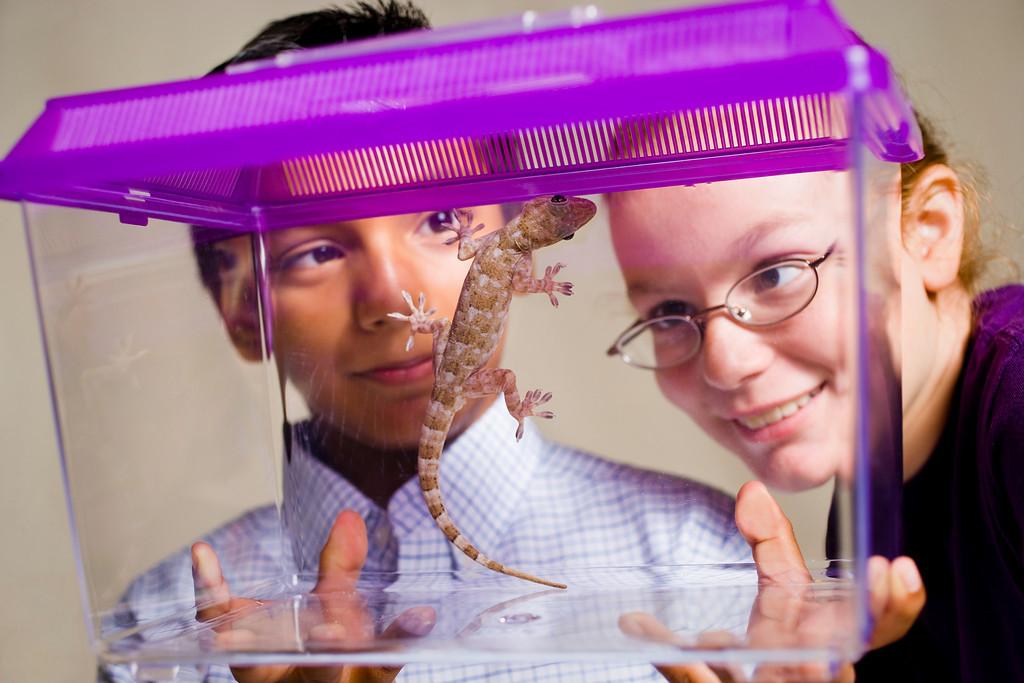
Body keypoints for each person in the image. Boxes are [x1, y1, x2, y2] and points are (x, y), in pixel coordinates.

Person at [100, 4, 758, 682]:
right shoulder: (166, 622)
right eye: (316, 251)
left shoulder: (703, 556)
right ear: (243, 312)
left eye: (442, 220)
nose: (388, 298)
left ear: (513, 213)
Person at [606, 114, 1023, 680]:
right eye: (669, 313)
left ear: (929, 229)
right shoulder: (865, 493)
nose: (725, 364)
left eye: (776, 274)